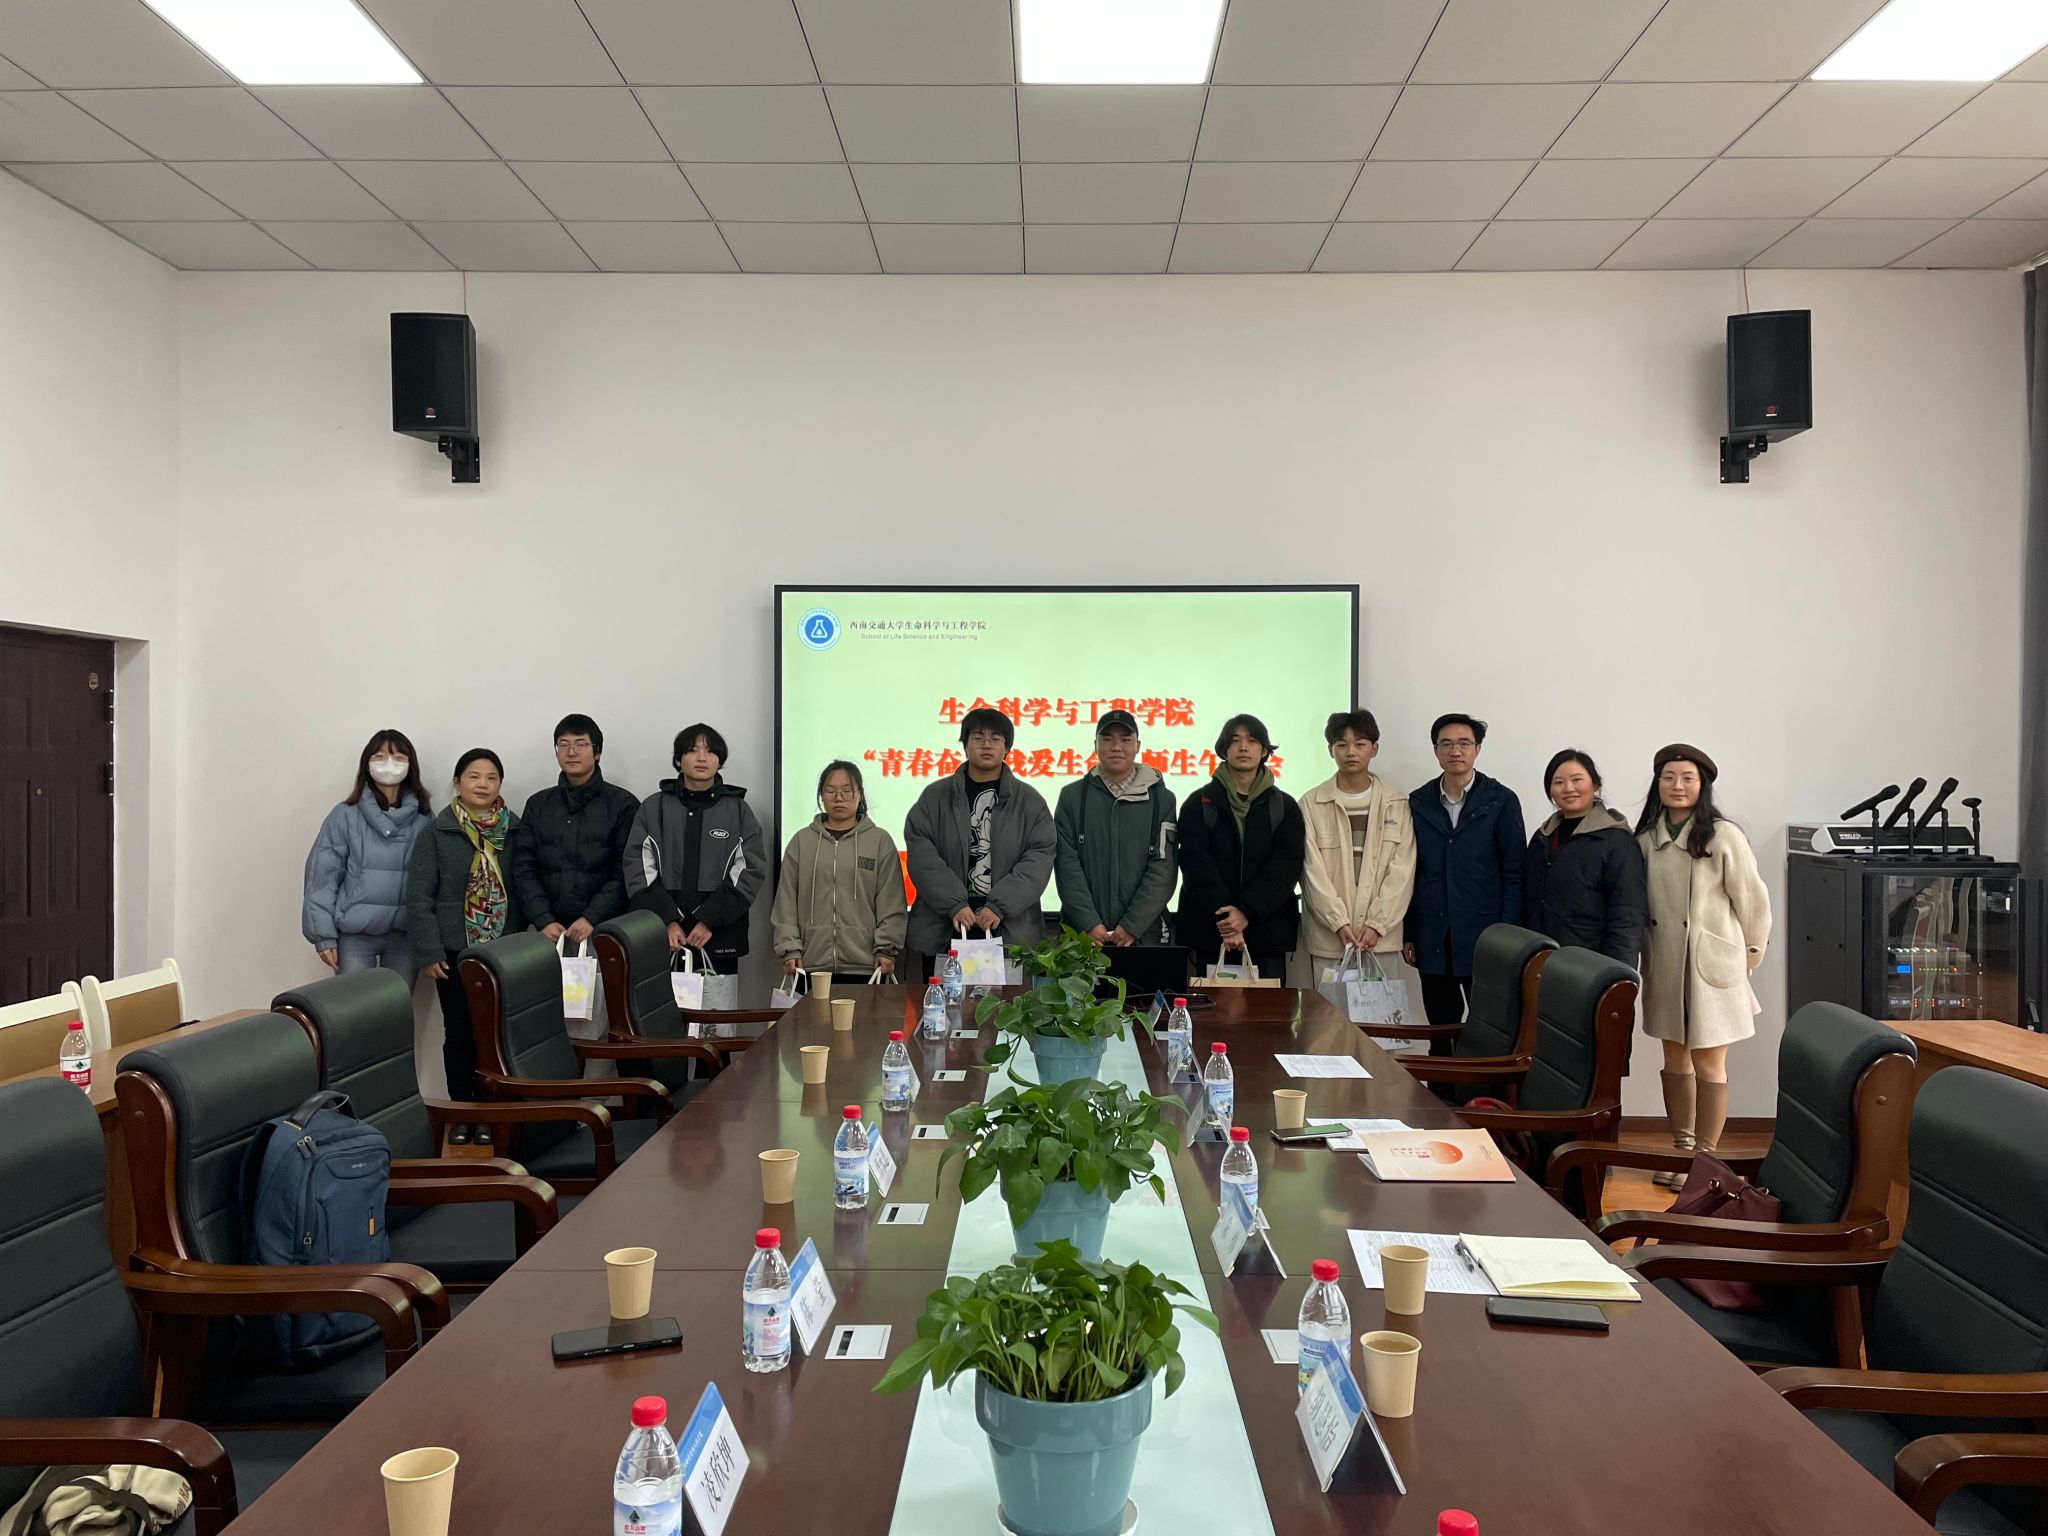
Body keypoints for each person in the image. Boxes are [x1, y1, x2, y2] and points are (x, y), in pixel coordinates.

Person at [1634, 744, 1772, 1184]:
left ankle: (1705, 1161)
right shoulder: (1645, 839)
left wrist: (1750, 955)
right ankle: (1682, 1150)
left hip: (1713, 966)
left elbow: (1753, 901)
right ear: (1658, 783)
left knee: (1710, 1061)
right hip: (1666, 964)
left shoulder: (1722, 835)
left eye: (1687, 778)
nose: (1678, 786)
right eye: (1669, 777)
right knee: (1675, 1059)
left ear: (1702, 785)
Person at [407, 748, 523, 1146]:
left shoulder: (515, 830)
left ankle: (491, 1113)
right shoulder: (438, 832)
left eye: (491, 777)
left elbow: (525, 887)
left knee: (496, 1035)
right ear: (457, 782)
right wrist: (429, 951)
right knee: (459, 1033)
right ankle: (462, 1114)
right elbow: (419, 897)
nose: (483, 784)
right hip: (454, 952)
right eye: (474, 776)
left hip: (504, 952)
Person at [1402, 713, 1526, 1049]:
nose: (1455, 751)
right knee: (1440, 1030)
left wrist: (1509, 937)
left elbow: (1514, 873)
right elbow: (1409, 871)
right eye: (1446, 744)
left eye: (1464, 744)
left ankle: (1481, 1086)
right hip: (1433, 932)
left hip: (1485, 936)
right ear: (1435, 750)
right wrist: (1409, 932)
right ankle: (1442, 1082)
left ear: (1477, 749)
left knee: (1490, 1033)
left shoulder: (1500, 800)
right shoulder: (1418, 802)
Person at [902, 707, 1055, 978]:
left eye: (996, 738)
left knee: (1005, 1005)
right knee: (943, 1003)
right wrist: (954, 904)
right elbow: (922, 853)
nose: (986, 744)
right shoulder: (935, 797)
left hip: (1007, 930)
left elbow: (1039, 858)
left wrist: (999, 905)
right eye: (978, 737)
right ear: (965, 744)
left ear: (1007, 747)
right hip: (945, 927)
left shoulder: (1029, 802)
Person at [622, 723, 767, 973]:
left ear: (720, 761)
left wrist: (709, 920)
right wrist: (666, 920)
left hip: (719, 935)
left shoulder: (738, 811)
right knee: (660, 999)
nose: (701, 758)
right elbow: (637, 868)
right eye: (692, 750)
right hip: (663, 936)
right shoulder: (653, 808)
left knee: (716, 1000)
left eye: (710, 752)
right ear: (678, 760)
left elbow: (750, 871)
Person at [1176, 714, 1306, 982]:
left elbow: (1285, 867)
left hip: (1267, 934)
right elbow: (1195, 863)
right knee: (1213, 1009)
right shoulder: (1198, 803)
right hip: (1211, 932)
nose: (1243, 747)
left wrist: (1246, 912)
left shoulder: (1285, 807)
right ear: (1224, 749)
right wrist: (1228, 921)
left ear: (1265, 750)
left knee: (1268, 1010)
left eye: (1252, 740)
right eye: (1235, 740)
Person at [302, 728, 431, 984]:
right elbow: (322, 878)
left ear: (411, 766)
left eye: (398, 757)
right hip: (354, 935)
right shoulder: (344, 816)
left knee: (398, 1005)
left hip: (405, 935)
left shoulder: (424, 820)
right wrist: (323, 935)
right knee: (354, 1005)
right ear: (366, 764)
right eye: (380, 757)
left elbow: (431, 883)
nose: (389, 764)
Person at [1299, 709, 1414, 981]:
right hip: (1330, 938)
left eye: (1360, 744)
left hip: (1380, 939)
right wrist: (1338, 922)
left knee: (1380, 1009)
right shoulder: (1311, 803)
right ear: (1330, 750)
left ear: (1374, 748)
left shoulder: (1396, 803)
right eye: (1342, 745)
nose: (1351, 752)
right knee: (1330, 1009)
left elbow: (1403, 871)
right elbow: (1311, 872)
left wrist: (1377, 925)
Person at [771, 760, 908, 986]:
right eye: (830, 791)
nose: (839, 797)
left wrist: (886, 948)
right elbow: (785, 900)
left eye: (847, 790)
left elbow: (891, 901)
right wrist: (789, 948)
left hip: (867, 966)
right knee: (813, 1013)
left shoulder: (879, 841)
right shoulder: (801, 842)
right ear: (821, 796)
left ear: (860, 795)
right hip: (810, 965)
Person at [510, 713, 639, 948]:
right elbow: (523, 867)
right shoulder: (538, 804)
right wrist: (543, 918)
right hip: (547, 931)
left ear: (597, 752)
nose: (571, 752)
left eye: (581, 744)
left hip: (605, 928)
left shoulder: (623, 804)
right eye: (563, 745)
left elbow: (626, 869)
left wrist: (592, 917)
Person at [1052, 709, 1179, 947]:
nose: (1116, 746)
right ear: (1095, 745)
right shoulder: (1072, 797)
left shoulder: (1163, 799)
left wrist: (1132, 925)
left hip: (1144, 934)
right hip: (1082, 935)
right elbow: (1066, 865)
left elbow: (1164, 867)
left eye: (1126, 739)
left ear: (1138, 746)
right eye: (1107, 738)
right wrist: (1089, 923)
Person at [1523, 749, 1645, 967]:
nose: (1568, 788)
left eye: (1577, 780)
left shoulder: (1617, 841)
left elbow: (1626, 916)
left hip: (1589, 964)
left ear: (1595, 784)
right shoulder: (1542, 837)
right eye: (1558, 782)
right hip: (1540, 960)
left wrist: (1619, 973)